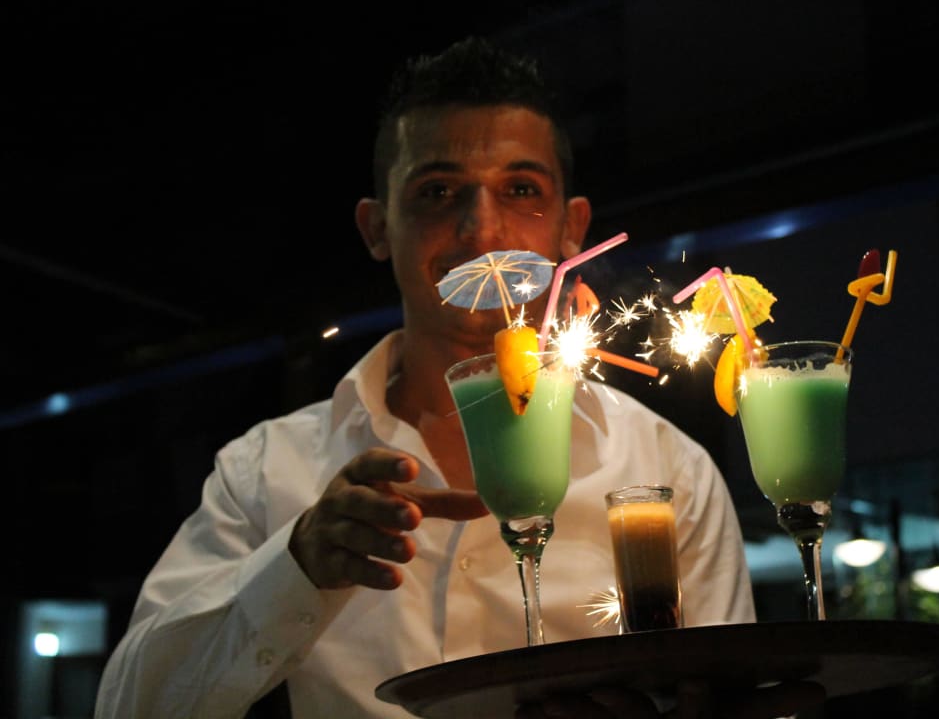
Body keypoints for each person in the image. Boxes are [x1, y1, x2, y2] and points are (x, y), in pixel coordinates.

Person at [95, 36, 820, 718]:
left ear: (571, 228)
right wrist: (295, 569)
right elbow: (128, 705)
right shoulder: (267, 468)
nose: (482, 231)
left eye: (521, 190)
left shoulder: (668, 467)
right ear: (377, 228)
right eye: (438, 192)